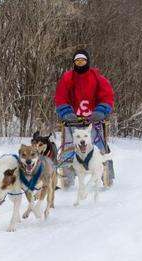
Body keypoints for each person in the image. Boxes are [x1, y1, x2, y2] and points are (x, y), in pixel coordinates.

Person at [54, 48, 115, 187]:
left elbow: (107, 96)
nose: (80, 63)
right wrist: (66, 111)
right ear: (74, 63)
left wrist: (101, 110)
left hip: (93, 121)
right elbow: (61, 97)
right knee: (69, 149)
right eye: (77, 61)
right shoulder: (68, 78)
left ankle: (107, 178)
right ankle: (67, 181)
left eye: (83, 61)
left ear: (87, 62)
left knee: (100, 148)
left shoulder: (97, 78)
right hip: (72, 122)